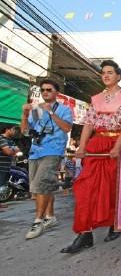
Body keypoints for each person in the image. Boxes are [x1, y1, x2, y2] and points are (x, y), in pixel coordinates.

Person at [61, 60, 121, 253]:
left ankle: (115, 223)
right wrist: (82, 146)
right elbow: (88, 124)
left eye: (110, 72)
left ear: (118, 76)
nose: (105, 75)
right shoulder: (95, 99)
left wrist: (118, 147)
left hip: (118, 145)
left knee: (114, 188)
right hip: (97, 146)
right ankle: (84, 233)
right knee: (86, 189)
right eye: (103, 72)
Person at [20, 80, 73, 239]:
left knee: (40, 183)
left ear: (57, 93)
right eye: (43, 90)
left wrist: (50, 112)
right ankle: (50, 216)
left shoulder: (64, 109)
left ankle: (38, 221)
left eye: (49, 90)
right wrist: (24, 115)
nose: (45, 92)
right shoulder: (36, 111)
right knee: (42, 186)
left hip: (53, 150)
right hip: (36, 150)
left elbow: (66, 128)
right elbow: (25, 132)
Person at [0, 124, 21, 208]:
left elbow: (18, 149)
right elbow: (8, 152)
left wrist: (11, 150)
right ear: (7, 130)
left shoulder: (10, 140)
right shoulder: (1, 138)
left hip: (7, 166)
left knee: (1, 184)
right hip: (1, 165)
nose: (14, 131)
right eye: (13, 129)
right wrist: (13, 150)